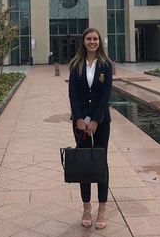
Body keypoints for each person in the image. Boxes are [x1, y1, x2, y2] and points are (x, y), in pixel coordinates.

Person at [68, 27, 113, 230]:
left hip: (101, 122)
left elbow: (105, 96)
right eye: (89, 39)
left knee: (101, 162)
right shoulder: (76, 65)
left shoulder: (106, 65)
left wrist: (95, 120)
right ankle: (87, 208)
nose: (92, 42)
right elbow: (73, 94)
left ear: (99, 42)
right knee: (84, 163)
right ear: (83, 41)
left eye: (95, 39)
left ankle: (102, 209)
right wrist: (78, 118)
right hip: (79, 123)